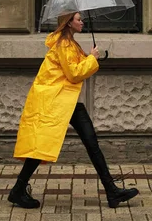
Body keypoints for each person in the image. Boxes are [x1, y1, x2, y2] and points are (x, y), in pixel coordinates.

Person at [8, 11, 139, 209]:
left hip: (66, 100)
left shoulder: (70, 44)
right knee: (41, 148)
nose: (82, 22)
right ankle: (17, 191)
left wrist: (91, 57)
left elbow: (75, 66)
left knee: (91, 142)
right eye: (78, 19)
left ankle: (112, 192)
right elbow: (74, 73)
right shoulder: (63, 44)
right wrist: (92, 59)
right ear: (69, 23)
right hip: (55, 100)